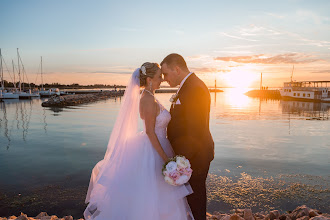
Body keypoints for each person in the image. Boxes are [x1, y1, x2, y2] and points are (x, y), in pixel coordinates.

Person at [84, 62, 194, 220]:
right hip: (153, 150)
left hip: (159, 144)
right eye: (158, 77)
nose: (161, 80)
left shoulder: (150, 97)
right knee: (152, 193)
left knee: (159, 193)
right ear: (149, 79)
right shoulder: (147, 99)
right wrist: (167, 160)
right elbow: (150, 132)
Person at [161, 53, 214, 220]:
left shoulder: (194, 88)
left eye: (166, 74)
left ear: (177, 69)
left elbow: (195, 129)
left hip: (195, 157)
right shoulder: (187, 86)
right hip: (191, 156)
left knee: (195, 198)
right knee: (192, 199)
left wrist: (180, 162)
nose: (164, 79)